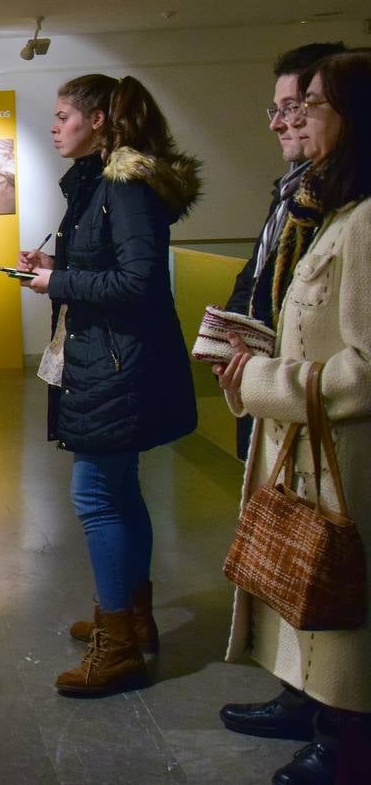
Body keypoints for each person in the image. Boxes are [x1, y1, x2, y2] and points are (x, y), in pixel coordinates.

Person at [215, 50, 371, 785]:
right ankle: (310, 707)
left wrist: (266, 379)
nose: (293, 118)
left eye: (312, 104)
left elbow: (364, 367)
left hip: (343, 451)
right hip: (308, 438)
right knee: (303, 582)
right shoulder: (332, 208)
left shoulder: (365, 221)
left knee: (339, 594)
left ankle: (345, 742)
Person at [17, 74, 200, 696]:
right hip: (113, 362)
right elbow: (111, 264)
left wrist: (55, 284)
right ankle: (131, 616)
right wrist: (57, 266)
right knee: (120, 492)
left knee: (96, 496)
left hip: (119, 367)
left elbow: (138, 283)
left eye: (64, 113)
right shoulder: (103, 181)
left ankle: (118, 644)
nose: (54, 125)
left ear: (98, 122)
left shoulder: (122, 185)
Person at [225, 42, 346, 461]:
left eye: (295, 106)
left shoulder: (348, 211)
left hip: (313, 428)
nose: (278, 124)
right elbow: (258, 278)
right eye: (275, 109)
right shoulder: (291, 193)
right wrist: (233, 338)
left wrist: (261, 373)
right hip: (272, 401)